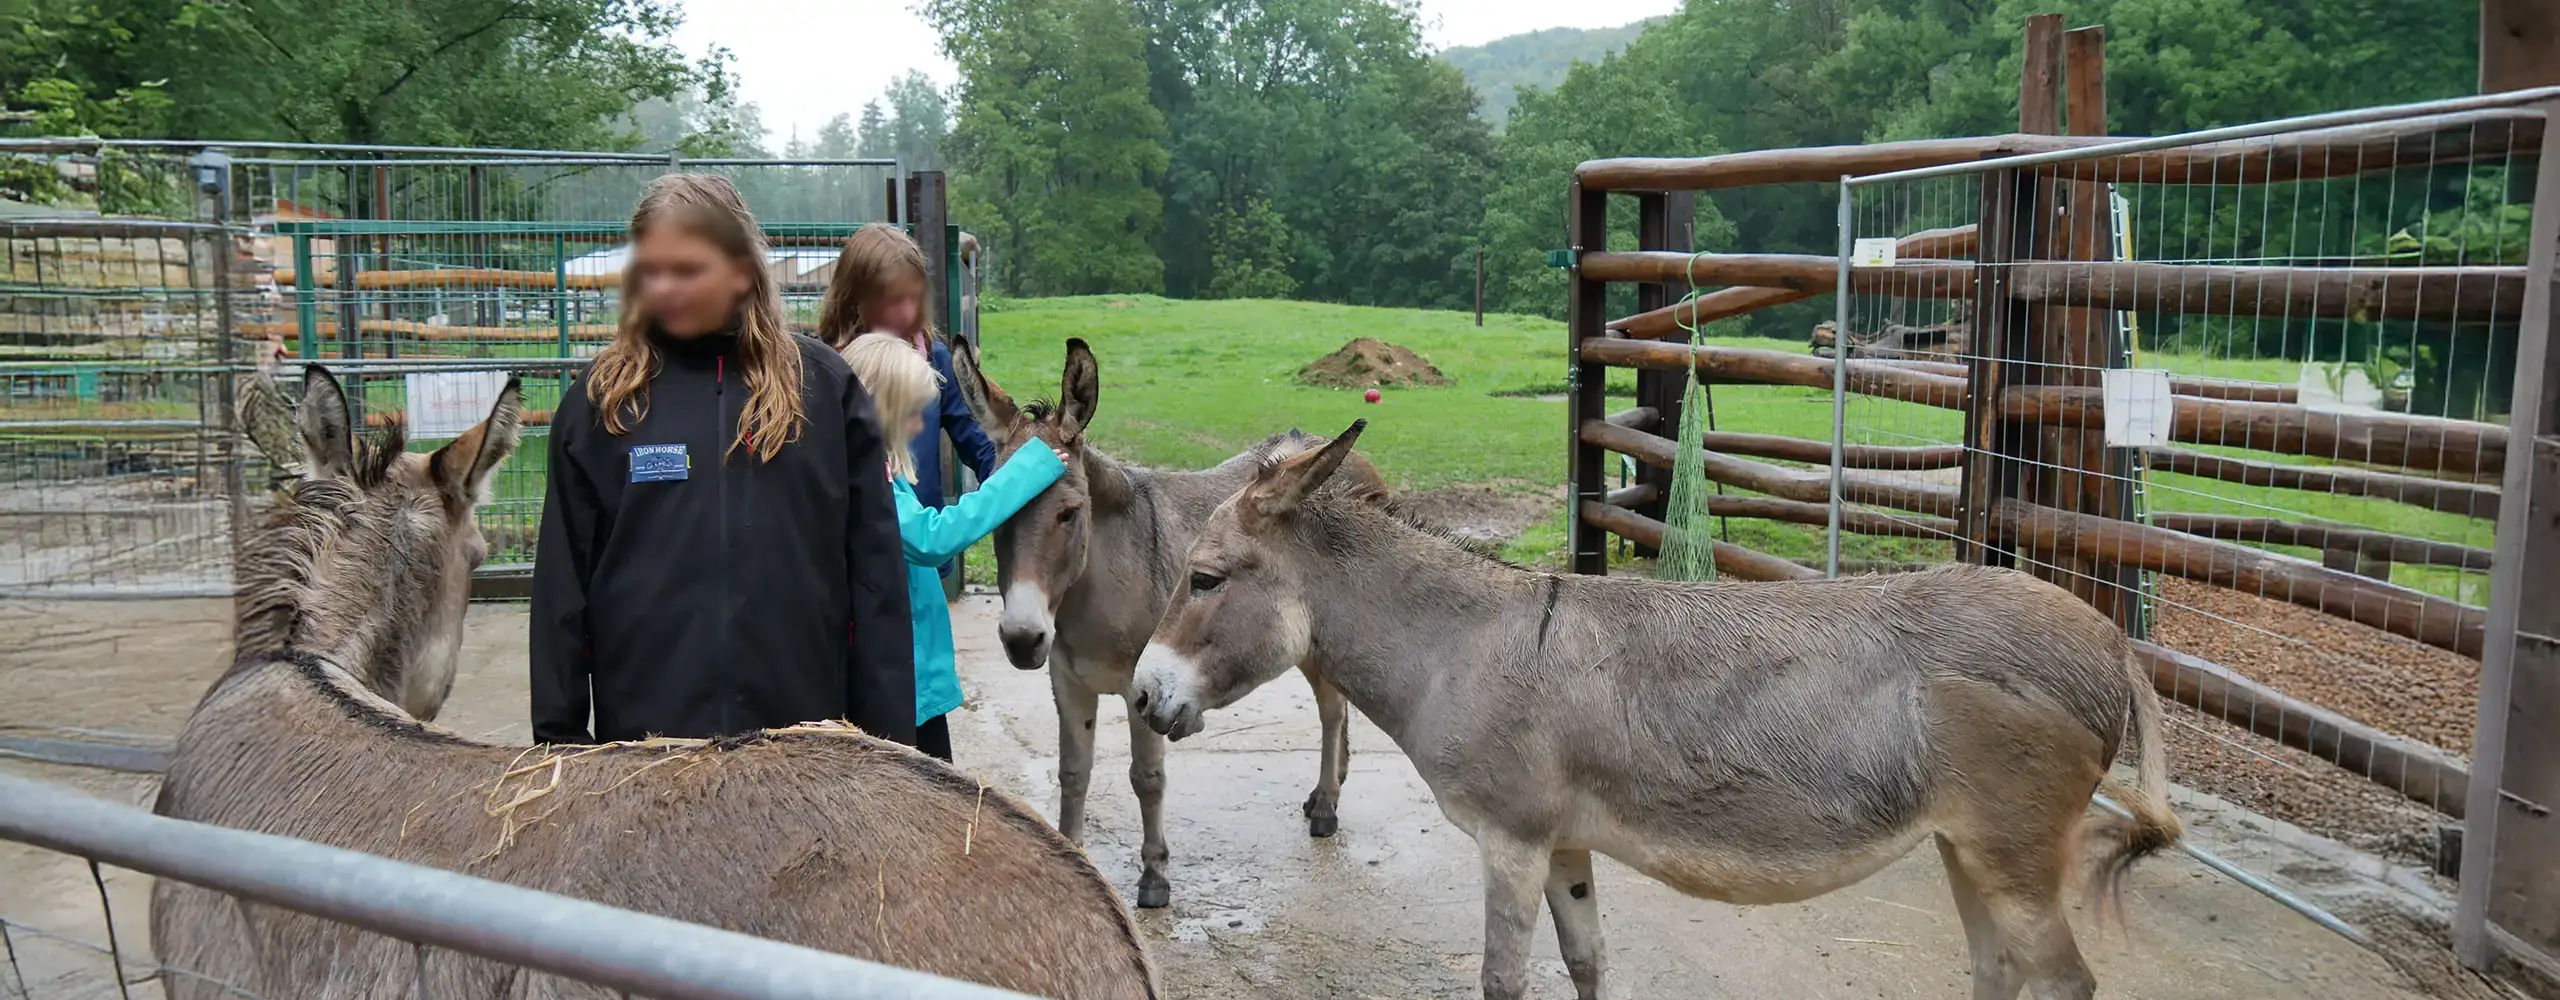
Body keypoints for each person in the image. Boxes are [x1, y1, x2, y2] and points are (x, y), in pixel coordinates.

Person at [529, 175, 914, 746]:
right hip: (649, 746)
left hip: (801, 741)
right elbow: (561, 588)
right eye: (650, 269)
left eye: (687, 270)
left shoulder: (823, 390)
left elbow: (877, 579)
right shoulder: (603, 400)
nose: (664, 287)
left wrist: (889, 746)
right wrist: (559, 743)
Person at [840, 333, 1064, 763]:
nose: (919, 427)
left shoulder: (881, 469)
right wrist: (1022, 474)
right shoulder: (866, 478)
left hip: (913, 675)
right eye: (911, 414)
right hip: (897, 680)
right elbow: (932, 540)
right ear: (877, 409)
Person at [816, 223, 996, 585]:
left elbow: (981, 445)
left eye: (915, 298)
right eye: (894, 300)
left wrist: (1008, 483)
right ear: (855, 298)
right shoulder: (825, 367)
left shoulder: (935, 359)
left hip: (923, 562)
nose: (908, 311)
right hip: (854, 568)